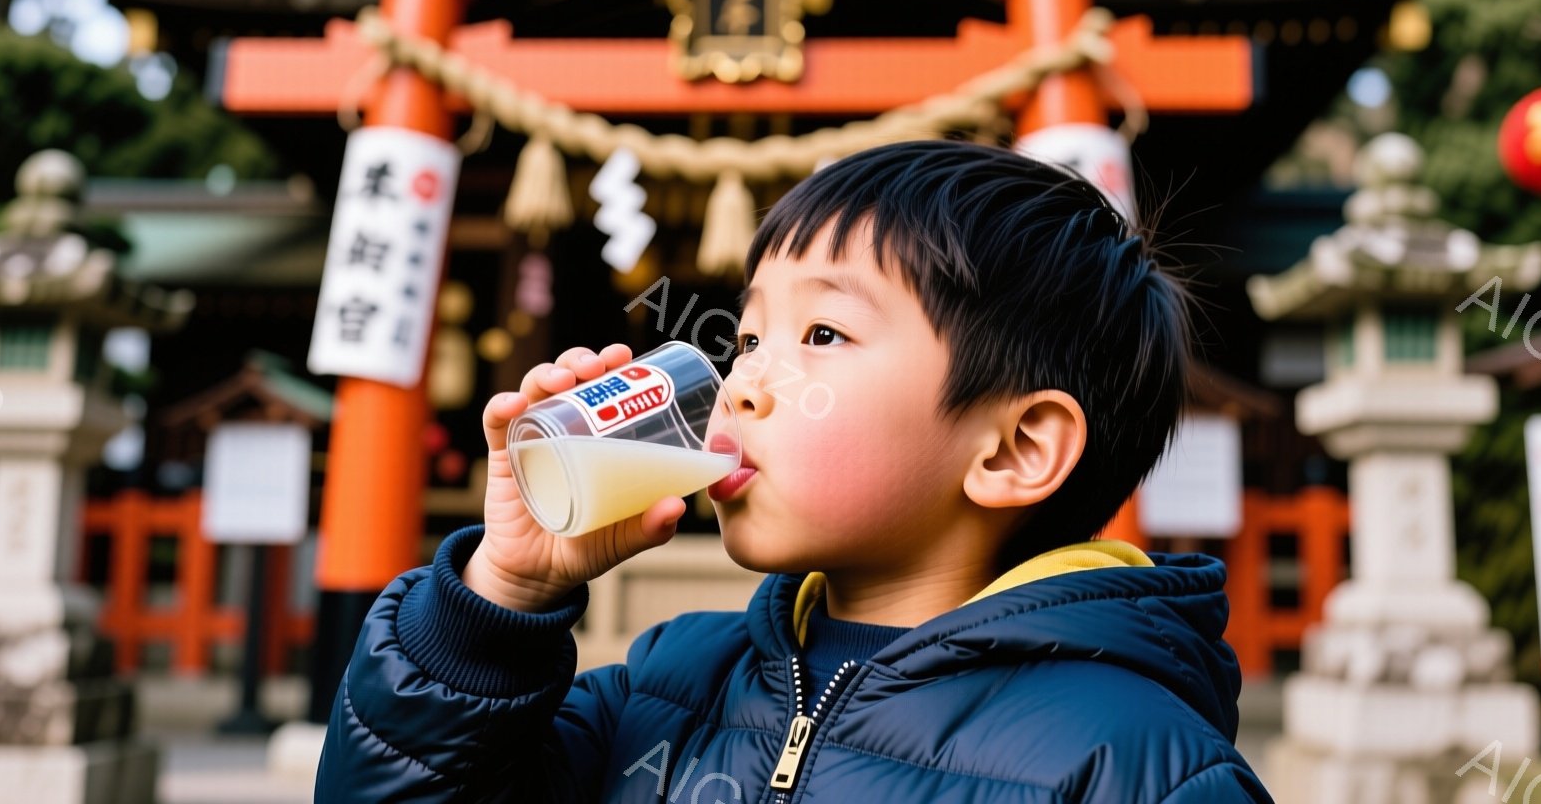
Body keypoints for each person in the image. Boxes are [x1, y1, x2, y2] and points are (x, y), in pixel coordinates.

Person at [314, 140, 1273, 803]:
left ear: (1014, 449)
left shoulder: (1135, 767)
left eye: (821, 333)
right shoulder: (664, 689)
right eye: (750, 337)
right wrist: (501, 599)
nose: (742, 384)